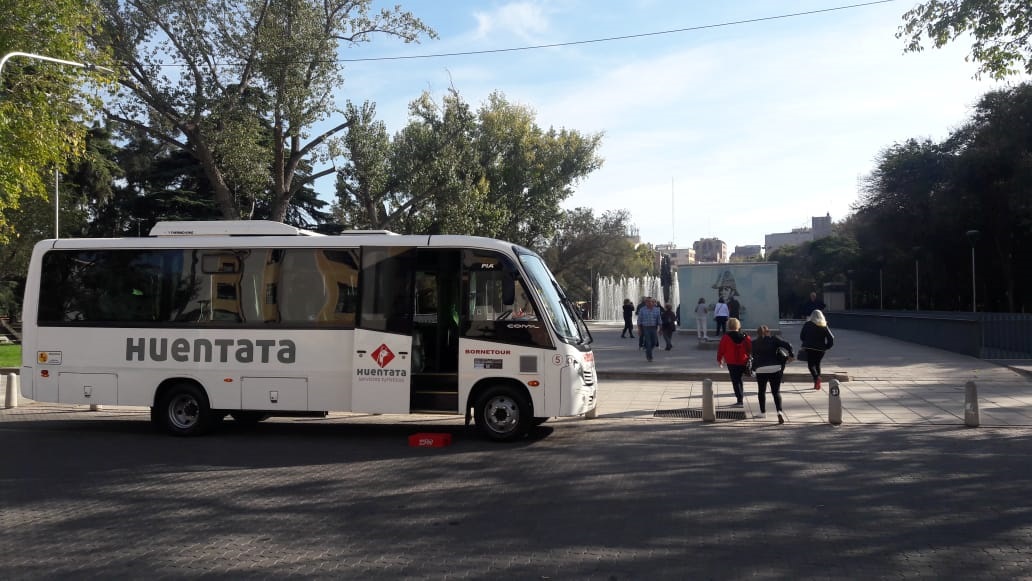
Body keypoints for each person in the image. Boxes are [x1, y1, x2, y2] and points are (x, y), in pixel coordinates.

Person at [751, 325, 794, 423]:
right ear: (768, 332)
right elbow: (788, 345)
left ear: (757, 333)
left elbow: (752, 356)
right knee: (776, 392)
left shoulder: (753, 343)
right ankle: (779, 411)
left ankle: (763, 412)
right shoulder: (774, 339)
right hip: (775, 368)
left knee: (761, 391)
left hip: (760, 369)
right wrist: (791, 355)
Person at [716, 317, 751, 406]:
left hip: (732, 362)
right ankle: (740, 397)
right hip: (743, 361)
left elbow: (721, 349)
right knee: (739, 379)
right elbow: (750, 348)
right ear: (738, 325)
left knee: (736, 380)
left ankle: (740, 399)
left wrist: (720, 360)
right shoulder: (745, 336)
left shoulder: (725, 337)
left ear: (728, 326)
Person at [800, 309, 835, 390]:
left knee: (811, 365)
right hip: (820, 350)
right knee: (817, 364)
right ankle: (817, 384)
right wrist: (827, 346)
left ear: (812, 316)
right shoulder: (824, 325)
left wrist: (806, 341)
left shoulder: (807, 324)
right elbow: (831, 338)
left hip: (810, 348)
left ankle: (816, 378)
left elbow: (802, 336)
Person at [637, 297, 663, 362]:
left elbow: (659, 320)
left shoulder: (657, 310)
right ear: (645, 303)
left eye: (650, 301)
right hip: (645, 328)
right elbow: (639, 320)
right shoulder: (642, 310)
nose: (649, 303)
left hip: (654, 328)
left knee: (654, 342)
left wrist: (660, 329)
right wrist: (639, 329)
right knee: (648, 342)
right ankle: (649, 357)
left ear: (653, 302)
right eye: (647, 301)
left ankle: (648, 351)